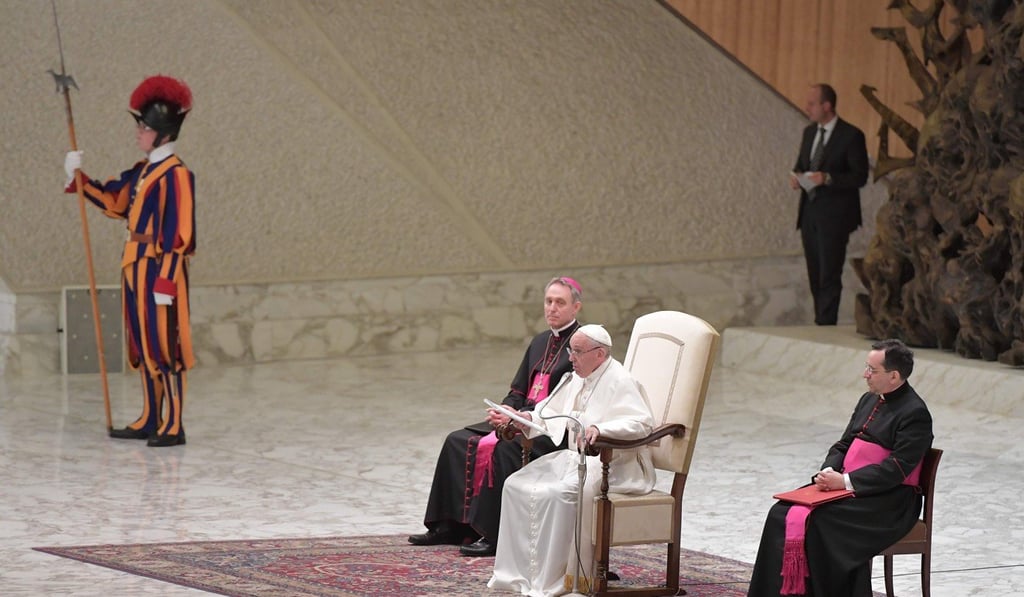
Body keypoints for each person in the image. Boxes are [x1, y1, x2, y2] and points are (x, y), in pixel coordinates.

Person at [63, 75, 196, 448]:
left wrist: (166, 284)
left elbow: (178, 234)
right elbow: (115, 202)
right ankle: (151, 416)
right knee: (143, 343)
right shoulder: (142, 172)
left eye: (145, 127)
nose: (139, 132)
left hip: (159, 269)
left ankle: (173, 423)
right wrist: (78, 177)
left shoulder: (178, 176)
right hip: (134, 265)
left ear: (163, 133)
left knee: (165, 344)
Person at [408, 277, 583, 556]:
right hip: (520, 420)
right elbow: (517, 389)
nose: (552, 308)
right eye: (548, 301)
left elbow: (564, 402)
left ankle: (491, 534)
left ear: (576, 307)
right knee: (457, 440)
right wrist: (504, 411)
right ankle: (448, 526)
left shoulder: (582, 346)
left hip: (548, 429)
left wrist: (520, 417)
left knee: (502, 449)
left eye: (560, 302)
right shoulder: (540, 341)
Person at [747, 339, 933, 597]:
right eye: (866, 367)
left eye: (872, 370)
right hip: (849, 487)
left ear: (894, 376)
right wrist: (828, 473)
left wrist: (845, 481)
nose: (864, 374)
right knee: (780, 513)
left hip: (888, 500)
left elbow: (896, 469)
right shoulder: (868, 400)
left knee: (820, 521)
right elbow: (844, 443)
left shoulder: (916, 413)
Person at [488, 324, 656, 596]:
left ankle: (567, 577)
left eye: (577, 352)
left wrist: (602, 430)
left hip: (612, 466)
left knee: (559, 494)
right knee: (515, 484)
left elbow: (641, 423)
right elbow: (548, 410)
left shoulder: (621, 380)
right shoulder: (575, 377)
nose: (570, 358)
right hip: (574, 459)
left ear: (599, 354)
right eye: (570, 350)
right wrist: (526, 418)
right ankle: (527, 573)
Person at [790, 83, 869, 326]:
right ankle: (819, 322)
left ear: (827, 106)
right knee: (815, 273)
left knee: (829, 275)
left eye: (812, 103)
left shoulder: (851, 135)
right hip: (809, 214)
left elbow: (860, 176)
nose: (807, 108)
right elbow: (801, 165)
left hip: (835, 217)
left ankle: (826, 325)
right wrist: (797, 178)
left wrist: (828, 178)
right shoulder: (809, 133)